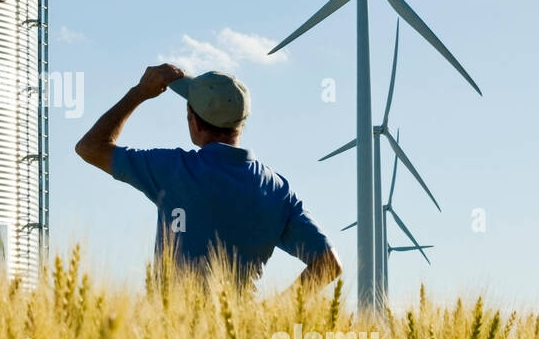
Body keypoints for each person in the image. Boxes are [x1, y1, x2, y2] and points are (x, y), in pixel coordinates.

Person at [75, 63, 341, 292]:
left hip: (171, 338)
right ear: (241, 123)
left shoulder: (172, 169)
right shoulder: (277, 189)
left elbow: (90, 147)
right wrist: (271, 314)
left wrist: (139, 93)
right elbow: (329, 264)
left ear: (196, 123)